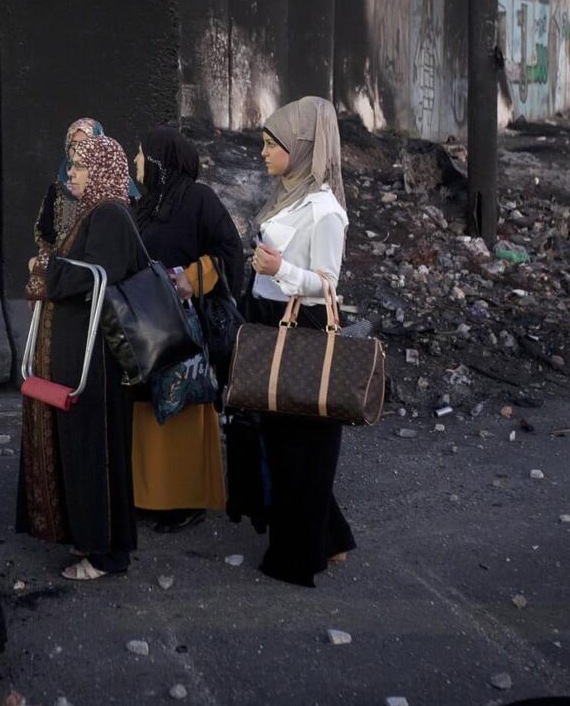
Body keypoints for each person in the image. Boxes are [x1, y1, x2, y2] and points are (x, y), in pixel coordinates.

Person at [233, 95, 356, 587]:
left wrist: (279, 268)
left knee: (300, 450)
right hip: (268, 318)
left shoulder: (324, 209)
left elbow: (329, 283)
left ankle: (299, 554)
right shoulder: (287, 196)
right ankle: (331, 536)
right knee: (280, 444)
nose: (263, 152)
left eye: (271, 144)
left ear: (302, 148)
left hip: (302, 328)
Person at [20, 135, 146, 581]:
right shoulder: (97, 212)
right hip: (87, 356)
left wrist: (44, 271)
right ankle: (92, 541)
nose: (70, 173)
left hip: (101, 363)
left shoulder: (110, 214)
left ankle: (107, 553)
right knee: (86, 448)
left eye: (80, 165)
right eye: (70, 164)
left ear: (103, 169)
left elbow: (96, 277)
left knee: (98, 452)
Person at [130, 128, 243, 532]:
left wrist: (193, 279)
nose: (136, 163)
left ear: (160, 160)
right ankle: (149, 495)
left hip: (186, 326)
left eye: (141, 155)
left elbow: (230, 250)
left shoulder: (199, 199)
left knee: (184, 406)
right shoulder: (143, 206)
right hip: (147, 324)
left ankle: (188, 500)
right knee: (148, 406)